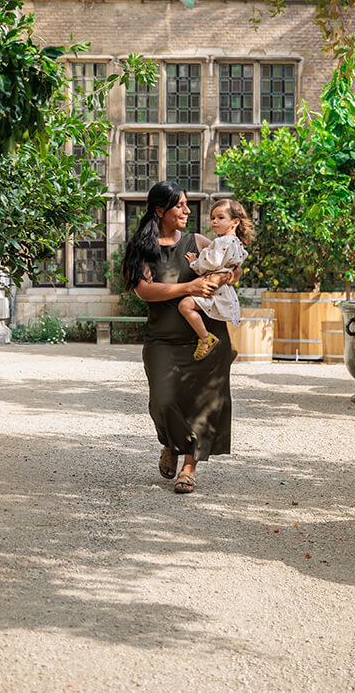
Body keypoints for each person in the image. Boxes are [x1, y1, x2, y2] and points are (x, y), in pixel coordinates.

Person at [121, 182, 242, 494]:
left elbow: (234, 267)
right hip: (162, 339)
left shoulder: (198, 241)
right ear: (161, 210)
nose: (188, 211)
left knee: (204, 404)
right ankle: (170, 444)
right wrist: (189, 287)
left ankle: (189, 466)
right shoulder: (142, 247)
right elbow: (144, 289)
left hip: (208, 337)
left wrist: (225, 277)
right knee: (163, 401)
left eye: (188, 204)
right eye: (180, 206)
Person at [179, 199, 253, 361]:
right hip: (224, 289)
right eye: (213, 218)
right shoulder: (237, 243)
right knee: (217, 316)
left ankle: (206, 339)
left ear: (235, 222)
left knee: (185, 306)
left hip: (214, 288)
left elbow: (211, 263)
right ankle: (226, 345)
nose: (215, 222)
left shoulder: (221, 242)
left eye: (220, 218)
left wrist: (194, 262)